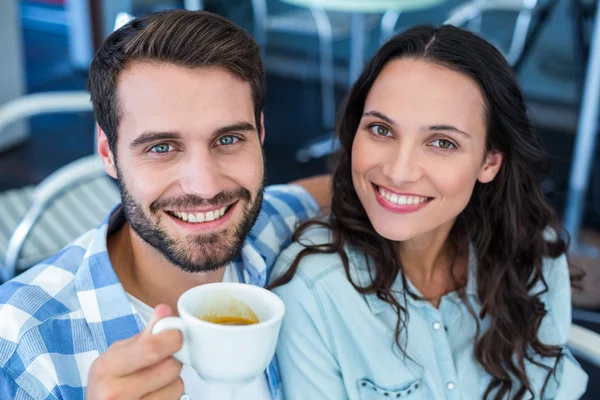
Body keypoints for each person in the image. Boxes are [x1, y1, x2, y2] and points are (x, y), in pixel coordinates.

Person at [0, 10, 329, 400]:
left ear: (259, 133)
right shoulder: (22, 346)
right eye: (161, 147)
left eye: (228, 140)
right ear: (107, 152)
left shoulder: (277, 227)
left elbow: (347, 187)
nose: (205, 187)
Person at [270, 25, 589, 400]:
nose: (398, 172)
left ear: (489, 162)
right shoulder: (313, 290)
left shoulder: (532, 249)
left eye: (442, 142)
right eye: (381, 129)